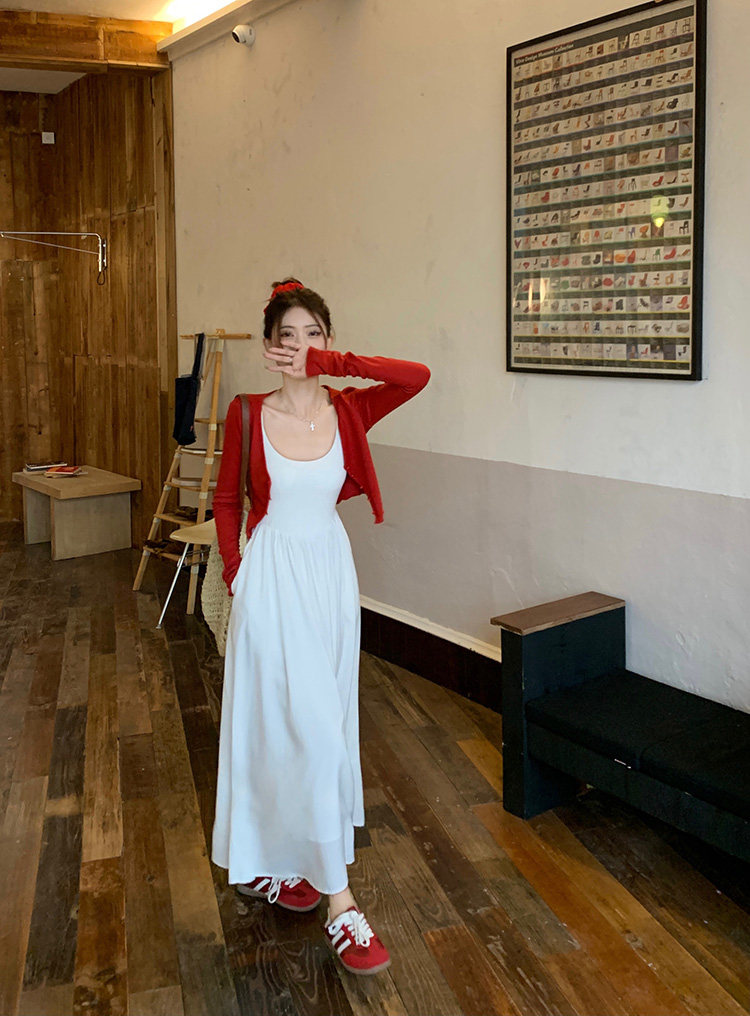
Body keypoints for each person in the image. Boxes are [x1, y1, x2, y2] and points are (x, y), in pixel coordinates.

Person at [211, 277, 431, 975]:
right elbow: (225, 499)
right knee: (297, 726)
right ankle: (341, 903)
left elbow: (417, 376)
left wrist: (334, 367)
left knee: (321, 724)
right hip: (271, 579)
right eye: (289, 336)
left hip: (330, 578)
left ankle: (275, 863)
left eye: (314, 334)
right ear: (269, 346)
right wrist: (237, 574)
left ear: (328, 342)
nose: (301, 346)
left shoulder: (350, 410)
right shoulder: (247, 413)